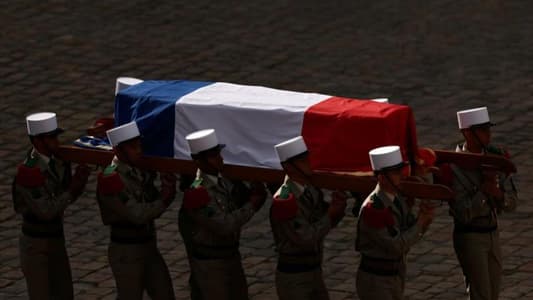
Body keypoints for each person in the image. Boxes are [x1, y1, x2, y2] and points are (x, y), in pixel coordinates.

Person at [181, 128, 267, 300]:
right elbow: (224, 225)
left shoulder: (226, 180)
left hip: (231, 256)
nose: (219, 159)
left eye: (218, 154)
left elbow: (241, 200)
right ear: (199, 161)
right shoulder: (197, 193)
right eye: (213, 156)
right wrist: (253, 204)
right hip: (211, 262)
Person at [13, 112, 90, 299]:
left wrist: (79, 182)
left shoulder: (58, 162)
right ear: (38, 141)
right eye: (51, 137)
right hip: (36, 243)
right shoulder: (29, 172)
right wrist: (73, 189)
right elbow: (46, 211)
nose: (57, 141)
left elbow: (66, 195)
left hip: (56, 239)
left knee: (64, 293)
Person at [443, 107, 518, 300]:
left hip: (492, 232)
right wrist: (484, 192)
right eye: (482, 130)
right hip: (470, 236)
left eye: (488, 129)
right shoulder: (455, 167)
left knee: (493, 293)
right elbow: (462, 212)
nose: (488, 135)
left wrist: (499, 195)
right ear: (467, 133)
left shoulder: (495, 158)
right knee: (480, 294)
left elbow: (511, 202)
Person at [96, 121, 176, 300]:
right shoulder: (111, 179)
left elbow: (151, 201)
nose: (139, 150)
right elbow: (138, 214)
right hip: (127, 250)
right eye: (132, 147)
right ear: (118, 151)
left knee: (164, 293)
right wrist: (165, 198)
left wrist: (165, 190)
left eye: (139, 144)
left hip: (148, 245)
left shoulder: (139, 171)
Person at [270, 136, 347, 300]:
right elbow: (305, 237)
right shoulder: (285, 200)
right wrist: (331, 214)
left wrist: (338, 210)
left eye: (307, 158)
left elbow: (322, 223)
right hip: (294, 275)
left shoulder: (310, 190)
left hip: (314, 270)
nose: (308, 162)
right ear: (288, 166)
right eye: (302, 160)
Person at [355, 145, 434, 300]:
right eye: (396, 173)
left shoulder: (396, 199)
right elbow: (396, 245)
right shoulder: (374, 209)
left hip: (394, 275)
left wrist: (423, 219)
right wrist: (421, 222)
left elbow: (409, 229)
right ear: (382, 177)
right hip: (376, 279)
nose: (402, 176)